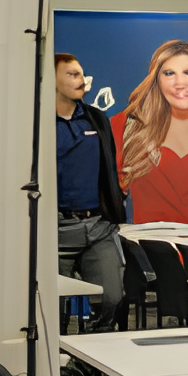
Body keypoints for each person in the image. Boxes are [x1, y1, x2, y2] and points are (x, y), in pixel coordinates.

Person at [113, 39, 188, 227]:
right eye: (169, 73)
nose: (180, 83)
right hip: (147, 249)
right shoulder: (127, 126)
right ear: (156, 79)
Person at [53, 53, 127, 329]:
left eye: (82, 74)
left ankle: (91, 362)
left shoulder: (97, 119)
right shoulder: (34, 122)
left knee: (112, 298)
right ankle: (57, 364)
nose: (81, 80)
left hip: (98, 226)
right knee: (52, 308)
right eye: (72, 74)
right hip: (55, 230)